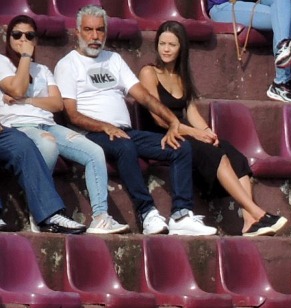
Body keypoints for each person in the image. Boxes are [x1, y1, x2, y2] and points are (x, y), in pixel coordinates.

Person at [55, 6, 214, 236]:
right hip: (91, 134)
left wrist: (173, 123)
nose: (95, 36)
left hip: (124, 132)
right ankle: (147, 212)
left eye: (100, 30)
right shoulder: (67, 64)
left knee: (181, 147)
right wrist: (104, 126)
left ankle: (181, 214)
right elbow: (72, 114)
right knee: (124, 145)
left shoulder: (114, 60)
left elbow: (144, 97)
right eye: (88, 30)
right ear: (77, 32)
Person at [139, 22, 287, 236]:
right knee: (213, 153)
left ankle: (249, 222)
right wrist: (196, 133)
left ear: (182, 47)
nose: (166, 49)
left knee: (235, 156)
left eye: (172, 44)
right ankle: (258, 212)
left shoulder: (182, 77)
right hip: (161, 136)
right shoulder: (149, 73)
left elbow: (191, 113)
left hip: (182, 133)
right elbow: (159, 119)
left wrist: (208, 132)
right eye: (162, 43)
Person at [0, 14, 109, 233]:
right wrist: (24, 58)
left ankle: (101, 217)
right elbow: (17, 88)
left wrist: (28, 100)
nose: (23, 39)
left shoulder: (42, 70)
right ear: (8, 38)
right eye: (17, 34)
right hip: (20, 125)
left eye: (29, 35)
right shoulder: (2, 62)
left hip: (48, 124)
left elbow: (57, 104)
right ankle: (41, 209)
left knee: (95, 151)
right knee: (47, 144)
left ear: (36, 40)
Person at [204, 0, 291, 104]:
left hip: (247, 5)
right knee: (285, 18)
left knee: (285, 13)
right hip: (223, 8)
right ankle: (282, 81)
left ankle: (282, 75)